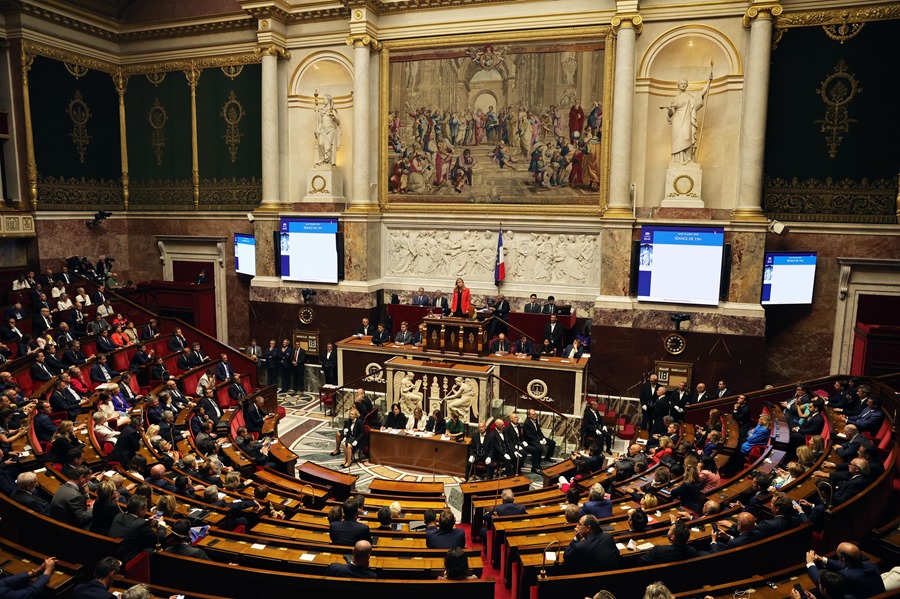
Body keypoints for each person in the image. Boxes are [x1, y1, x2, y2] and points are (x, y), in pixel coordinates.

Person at [805, 542, 885, 598]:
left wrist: (810, 563)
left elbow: (821, 581)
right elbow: (847, 566)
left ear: (843, 559)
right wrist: (822, 559)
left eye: (836, 551)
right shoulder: (870, 565)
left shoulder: (844, 576)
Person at [666, 71, 712, 164]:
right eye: (681, 84)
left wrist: (709, 81)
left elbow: (702, 93)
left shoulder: (691, 96)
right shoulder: (675, 99)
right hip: (677, 121)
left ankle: (688, 160)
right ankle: (677, 160)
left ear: (686, 85)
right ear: (678, 86)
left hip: (687, 119)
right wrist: (669, 110)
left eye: (684, 83)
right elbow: (671, 114)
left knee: (687, 136)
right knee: (678, 139)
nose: (683, 85)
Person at [50, 465, 93, 529]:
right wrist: (92, 508)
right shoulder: (75, 496)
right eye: (86, 480)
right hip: (68, 528)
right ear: (81, 478)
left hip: (59, 521)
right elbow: (82, 519)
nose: (86, 483)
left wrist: (84, 493)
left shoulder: (63, 486)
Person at [315, 93, 341, 166]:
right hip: (323, 130)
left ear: (329, 100)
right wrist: (318, 130)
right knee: (321, 143)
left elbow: (338, 121)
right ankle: (323, 159)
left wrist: (333, 116)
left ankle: (328, 161)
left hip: (331, 129)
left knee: (328, 145)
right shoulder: (322, 111)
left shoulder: (332, 110)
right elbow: (320, 122)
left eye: (325, 99)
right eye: (323, 99)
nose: (323, 101)